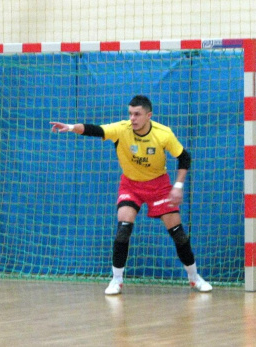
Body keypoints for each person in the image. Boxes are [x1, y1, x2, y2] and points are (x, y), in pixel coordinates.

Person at [50, 95, 212, 295]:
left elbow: (184, 157)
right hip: (131, 185)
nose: (132, 118)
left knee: (178, 234)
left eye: (137, 114)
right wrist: (71, 127)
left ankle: (194, 278)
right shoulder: (122, 129)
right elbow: (96, 130)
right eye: (130, 114)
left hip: (159, 185)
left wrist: (178, 185)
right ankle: (116, 280)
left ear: (148, 115)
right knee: (123, 229)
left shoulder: (164, 134)